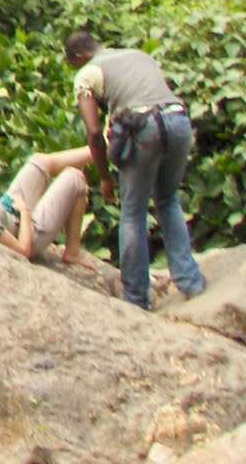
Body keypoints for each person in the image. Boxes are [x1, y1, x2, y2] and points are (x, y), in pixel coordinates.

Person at [65, 30, 207, 308]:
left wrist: (105, 178)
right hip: (178, 120)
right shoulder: (138, 55)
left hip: (143, 128)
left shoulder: (87, 73)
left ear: (79, 57)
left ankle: (136, 298)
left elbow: (94, 133)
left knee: (132, 212)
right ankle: (191, 281)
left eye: (73, 63)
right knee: (168, 199)